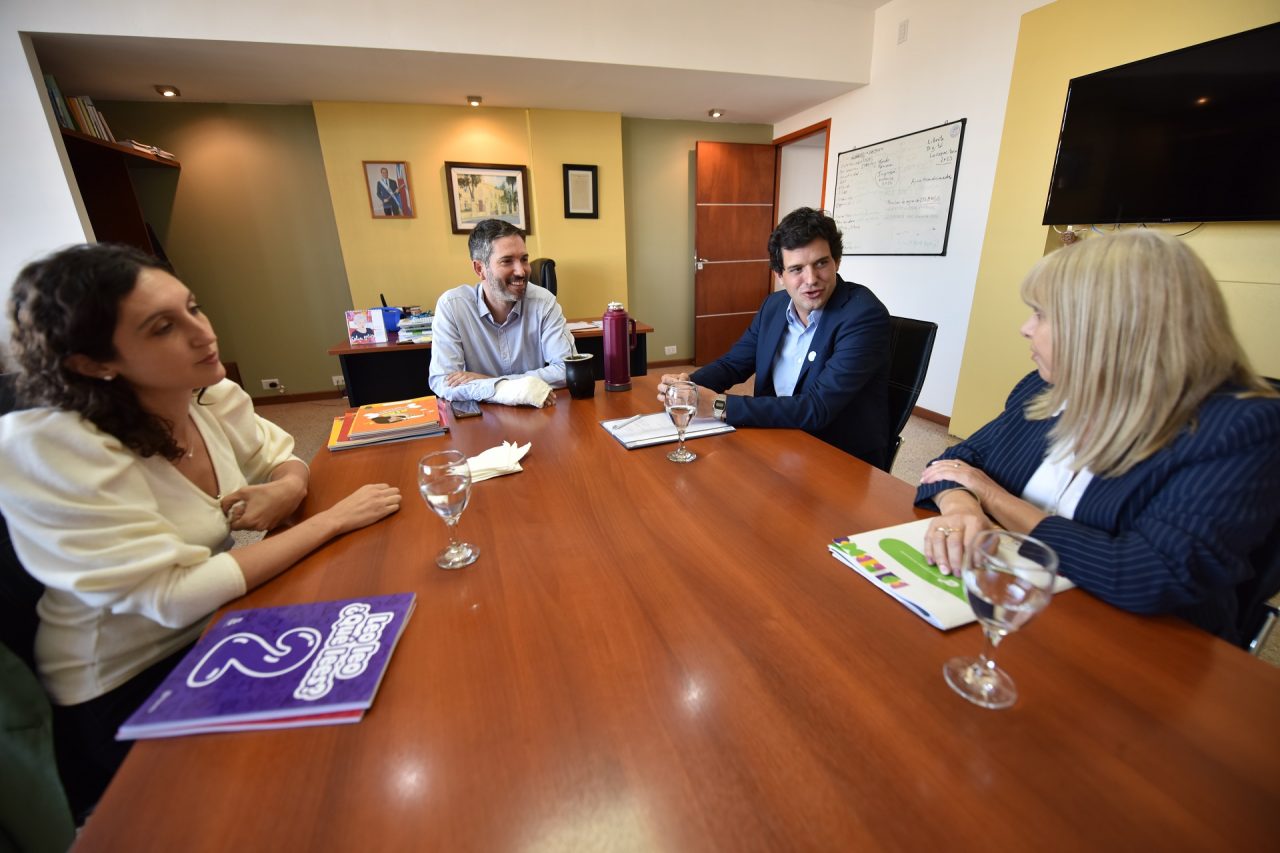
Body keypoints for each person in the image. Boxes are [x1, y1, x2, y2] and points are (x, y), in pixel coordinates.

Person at [0, 243, 403, 819]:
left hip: (218, 625)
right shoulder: (53, 447)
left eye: (192, 308)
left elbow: (281, 457)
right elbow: (171, 596)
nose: (202, 333)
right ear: (92, 363)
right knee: (297, 793)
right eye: (163, 327)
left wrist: (288, 489)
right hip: (128, 679)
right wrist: (332, 520)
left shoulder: (204, 398)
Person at [917, 229, 1280, 643]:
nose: (1025, 328)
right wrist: (961, 506)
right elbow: (955, 463)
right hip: (1016, 603)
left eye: (1041, 314)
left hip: (1141, 647)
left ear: (1108, 326)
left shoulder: (1240, 428)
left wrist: (992, 497)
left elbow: (1150, 574)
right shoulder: (1044, 388)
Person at [657, 207, 891, 467]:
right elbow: (733, 364)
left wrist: (718, 405)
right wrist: (686, 387)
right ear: (780, 275)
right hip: (777, 438)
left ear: (836, 261)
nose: (811, 279)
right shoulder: (774, 307)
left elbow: (817, 408)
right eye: (797, 269)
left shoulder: (863, 316)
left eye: (821, 263)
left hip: (838, 458)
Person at [428, 219, 573, 407]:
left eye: (524, 259)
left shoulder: (543, 302)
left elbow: (567, 369)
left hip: (536, 412)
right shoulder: (453, 306)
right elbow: (444, 381)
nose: (521, 271)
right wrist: (509, 388)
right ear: (480, 269)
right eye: (507, 261)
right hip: (482, 418)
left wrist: (491, 382)